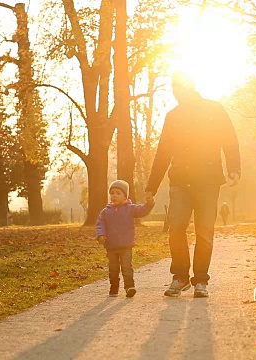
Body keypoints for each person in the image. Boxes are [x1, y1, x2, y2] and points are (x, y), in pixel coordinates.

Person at [145, 72, 240, 298]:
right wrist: (152, 186)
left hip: (208, 181)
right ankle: (180, 277)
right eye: (174, 87)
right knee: (176, 228)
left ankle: (201, 280)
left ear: (191, 87)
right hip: (180, 181)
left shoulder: (214, 110)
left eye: (179, 87)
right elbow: (163, 153)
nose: (176, 91)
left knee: (204, 232)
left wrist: (234, 169)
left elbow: (230, 140)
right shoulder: (173, 117)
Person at [96, 180, 155, 297]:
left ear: (125, 196)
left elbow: (142, 210)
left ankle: (129, 287)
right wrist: (100, 235)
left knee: (127, 267)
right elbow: (100, 224)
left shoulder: (130, 208)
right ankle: (114, 287)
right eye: (112, 193)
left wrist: (149, 204)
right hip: (111, 246)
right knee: (113, 269)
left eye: (118, 193)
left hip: (126, 245)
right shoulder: (105, 212)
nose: (114, 196)